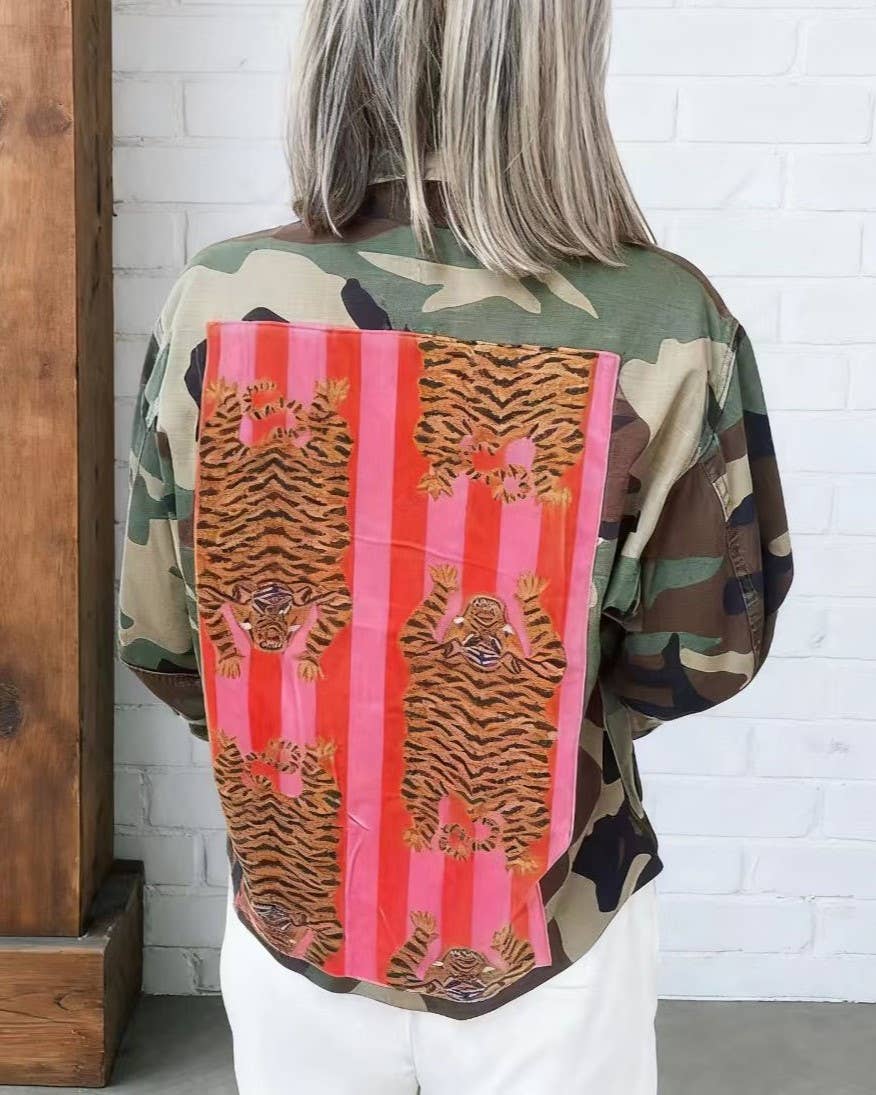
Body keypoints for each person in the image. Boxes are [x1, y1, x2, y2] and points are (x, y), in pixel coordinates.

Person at [117, 1, 793, 1092]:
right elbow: (703, 658)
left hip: (295, 917)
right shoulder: (665, 317)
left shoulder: (219, 297)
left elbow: (162, 638)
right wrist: (527, 708)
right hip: (553, 934)